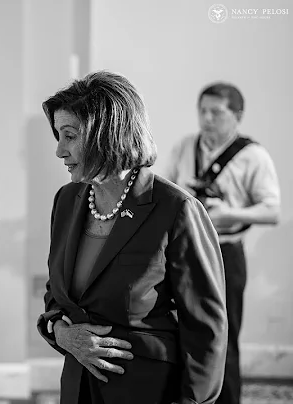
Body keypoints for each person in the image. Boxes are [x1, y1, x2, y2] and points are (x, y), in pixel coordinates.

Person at [36, 71, 228, 404]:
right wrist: (62, 334)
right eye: (58, 135)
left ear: (107, 134)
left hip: (148, 390)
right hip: (78, 388)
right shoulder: (66, 200)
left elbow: (206, 330)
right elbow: (57, 297)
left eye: (69, 135)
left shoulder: (177, 209)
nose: (59, 150)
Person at [162, 82, 281, 404]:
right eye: (202, 111)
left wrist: (229, 212)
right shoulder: (186, 146)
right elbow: (164, 188)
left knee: (222, 336)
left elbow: (273, 210)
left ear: (237, 115)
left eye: (216, 112)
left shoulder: (253, 155)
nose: (207, 119)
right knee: (178, 328)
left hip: (226, 252)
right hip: (183, 250)